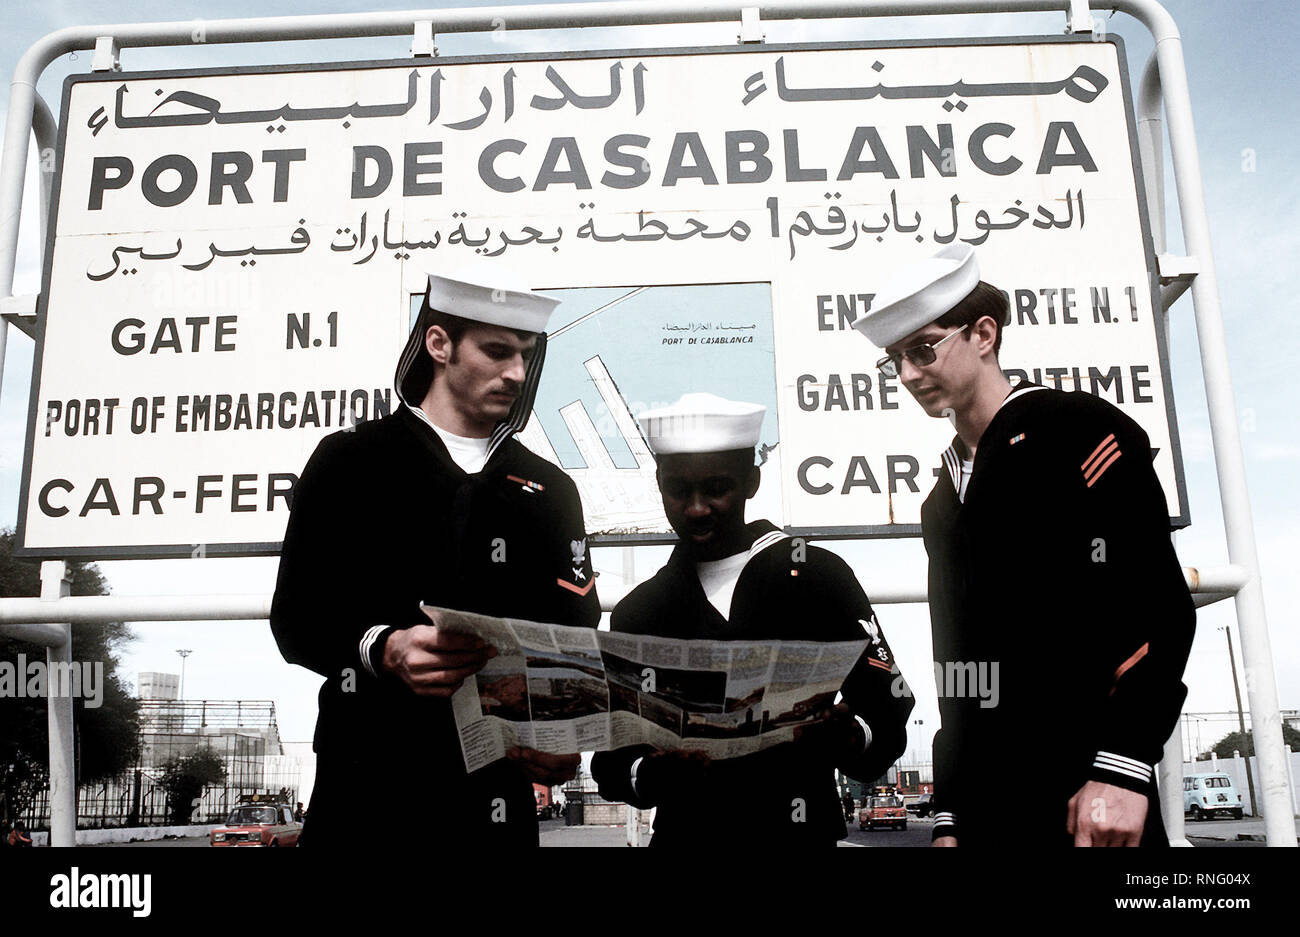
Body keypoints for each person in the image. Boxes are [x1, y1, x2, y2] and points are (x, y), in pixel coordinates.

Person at [852, 244, 1196, 847]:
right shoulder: (942, 499)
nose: (907, 375)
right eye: (894, 360)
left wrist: (1123, 766)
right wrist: (951, 812)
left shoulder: (1080, 432)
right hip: (989, 811)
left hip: (1086, 794)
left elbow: (1159, 608)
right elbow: (956, 661)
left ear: (983, 334)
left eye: (922, 349)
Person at [271, 272, 600, 847]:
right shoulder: (350, 462)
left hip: (494, 791)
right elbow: (296, 619)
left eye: (526, 356)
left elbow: (574, 630)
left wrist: (556, 731)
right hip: (365, 781)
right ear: (439, 344)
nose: (517, 374)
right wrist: (383, 647)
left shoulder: (550, 489)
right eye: (497, 351)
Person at [590, 393, 913, 848]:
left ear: (752, 481)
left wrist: (847, 735)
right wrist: (652, 773)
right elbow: (610, 760)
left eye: (716, 487)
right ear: (659, 485)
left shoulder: (818, 577)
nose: (697, 508)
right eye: (679, 490)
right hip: (688, 839)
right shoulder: (639, 611)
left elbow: (889, 703)